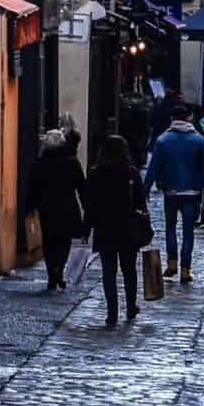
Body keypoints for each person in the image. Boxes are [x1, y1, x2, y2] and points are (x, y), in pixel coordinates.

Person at [145, 103, 204, 283]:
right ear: (189, 118)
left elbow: (153, 169)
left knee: (170, 227)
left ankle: (172, 263)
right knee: (188, 231)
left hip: (171, 191)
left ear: (172, 119)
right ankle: (185, 269)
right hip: (192, 192)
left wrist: (145, 190)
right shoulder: (198, 140)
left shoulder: (162, 140)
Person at [85, 134, 145, 327]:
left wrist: (86, 229)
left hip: (105, 228)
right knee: (129, 270)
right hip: (128, 228)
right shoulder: (131, 173)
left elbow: (90, 205)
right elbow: (141, 202)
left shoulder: (96, 173)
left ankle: (112, 312)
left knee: (109, 272)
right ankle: (130, 307)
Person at [24, 128, 87, 293]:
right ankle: (59, 269)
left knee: (49, 241)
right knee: (64, 241)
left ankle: (52, 273)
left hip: (46, 209)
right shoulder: (72, 162)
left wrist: (29, 207)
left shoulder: (40, 163)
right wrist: (87, 208)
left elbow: (32, 188)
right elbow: (82, 187)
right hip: (67, 208)